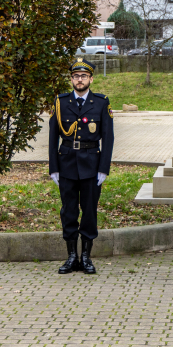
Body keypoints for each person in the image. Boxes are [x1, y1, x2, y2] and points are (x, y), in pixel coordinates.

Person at [48, 59, 115, 275]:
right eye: (76, 76)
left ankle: (86, 256)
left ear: (90, 79)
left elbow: (108, 138)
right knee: (68, 211)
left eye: (84, 76)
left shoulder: (101, 103)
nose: (79, 80)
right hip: (66, 164)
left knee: (89, 211)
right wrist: (54, 168)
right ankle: (71, 256)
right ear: (71, 79)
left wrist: (103, 168)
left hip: (91, 165)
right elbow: (52, 138)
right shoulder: (60, 102)